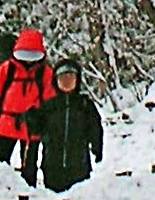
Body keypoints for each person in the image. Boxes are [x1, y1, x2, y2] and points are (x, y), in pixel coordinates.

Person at [0, 27, 55, 186]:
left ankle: (28, 194)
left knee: (29, 167)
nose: (28, 60)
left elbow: (51, 102)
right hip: (7, 123)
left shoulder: (46, 74)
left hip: (32, 127)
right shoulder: (8, 69)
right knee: (1, 163)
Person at [25, 57, 103, 193]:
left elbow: (95, 128)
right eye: (62, 79)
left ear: (77, 80)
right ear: (56, 81)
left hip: (79, 166)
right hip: (52, 167)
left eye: (70, 78)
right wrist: (31, 117)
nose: (66, 82)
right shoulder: (49, 105)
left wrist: (97, 148)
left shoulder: (84, 105)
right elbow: (36, 130)